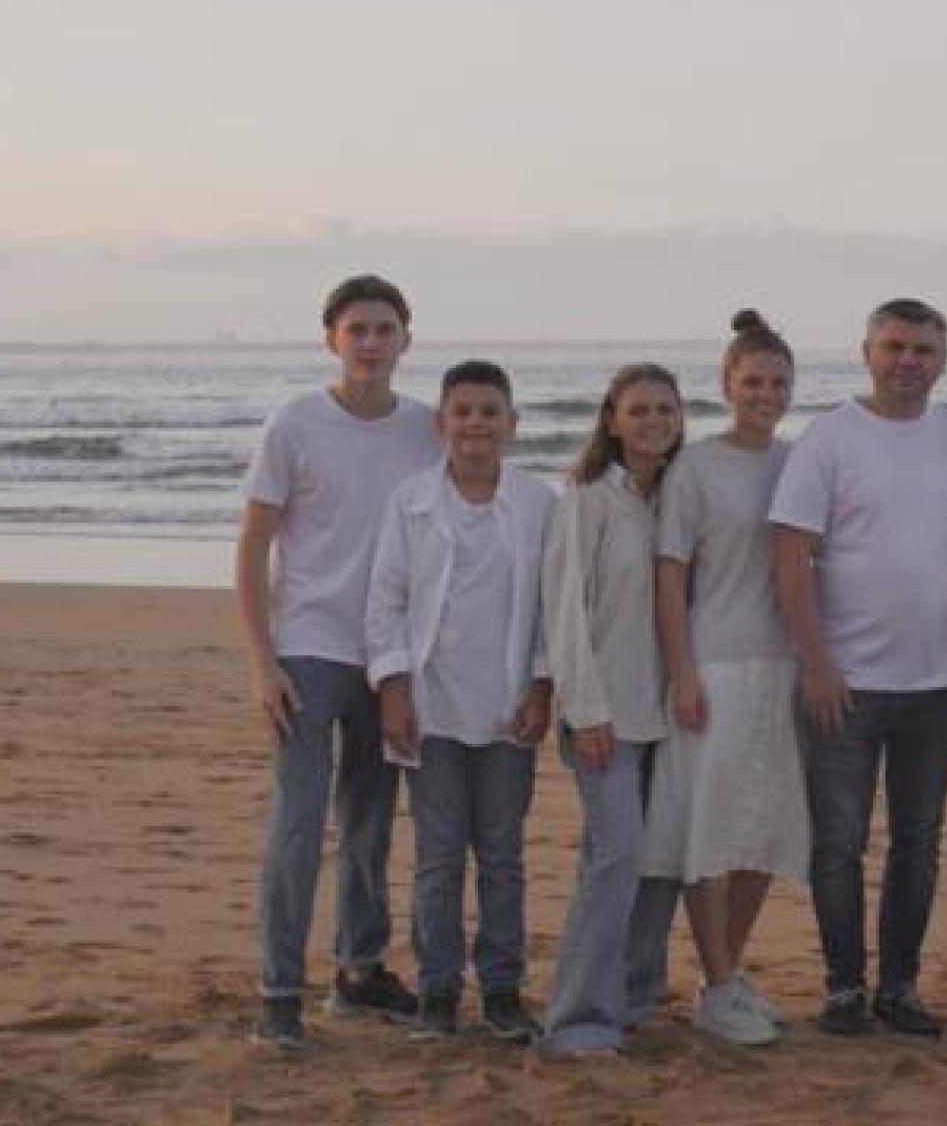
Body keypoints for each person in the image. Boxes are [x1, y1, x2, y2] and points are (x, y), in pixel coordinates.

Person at [236, 274, 440, 1049]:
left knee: (370, 825)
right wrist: (263, 662)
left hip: (389, 655)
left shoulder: (426, 429)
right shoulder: (295, 423)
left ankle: (358, 973)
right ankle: (279, 993)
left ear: (405, 341)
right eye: (356, 329)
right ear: (332, 338)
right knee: (296, 823)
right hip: (308, 650)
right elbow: (254, 546)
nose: (370, 342)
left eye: (384, 329)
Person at [769, 297, 947, 1037]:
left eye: (923, 349)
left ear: (943, 360)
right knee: (839, 841)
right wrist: (815, 660)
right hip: (844, 685)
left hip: (937, 685)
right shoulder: (830, 438)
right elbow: (790, 553)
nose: (908, 361)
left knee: (917, 844)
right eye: (894, 347)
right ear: (867, 353)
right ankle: (843, 988)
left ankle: (900, 987)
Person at [364, 360, 554, 1043]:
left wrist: (541, 683)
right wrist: (393, 686)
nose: (476, 423)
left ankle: (502, 989)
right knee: (440, 856)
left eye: (490, 411)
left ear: (511, 423)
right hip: (431, 708)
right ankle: (438, 991)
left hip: (506, 709)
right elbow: (386, 599)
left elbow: (547, 608)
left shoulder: (538, 504)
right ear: (442, 422)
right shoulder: (411, 501)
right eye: (463, 411)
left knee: (502, 853)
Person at [641, 311, 808, 1047]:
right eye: (752, 382)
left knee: (764, 832)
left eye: (778, 382)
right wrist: (682, 673)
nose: (765, 394)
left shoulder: (798, 463)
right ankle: (714, 985)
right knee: (706, 832)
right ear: (727, 386)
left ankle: (728, 975)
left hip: (783, 667)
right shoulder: (696, 467)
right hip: (714, 664)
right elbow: (670, 577)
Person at [538, 364, 684, 1057]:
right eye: (639, 410)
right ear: (613, 419)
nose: (654, 420)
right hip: (607, 714)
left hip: (674, 714)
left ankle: (630, 997)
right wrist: (584, 708)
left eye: (665, 408)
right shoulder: (588, 499)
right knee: (615, 856)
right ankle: (577, 1019)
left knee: (660, 861)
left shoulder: (677, 497)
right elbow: (565, 611)